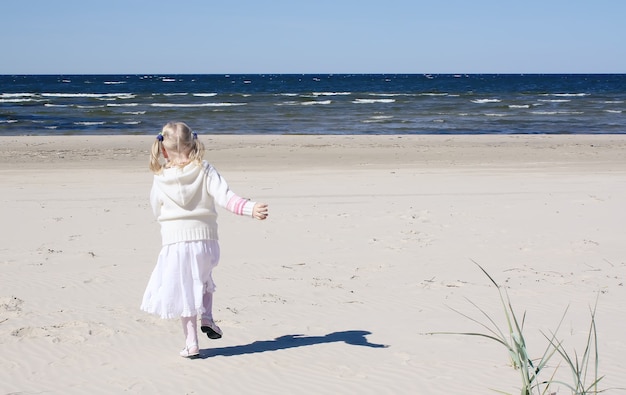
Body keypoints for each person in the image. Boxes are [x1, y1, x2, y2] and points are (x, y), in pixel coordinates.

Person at [140, 121, 269, 359]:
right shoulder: (204, 169)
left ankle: (191, 344)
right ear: (194, 144)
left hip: (175, 242)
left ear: (164, 150)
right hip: (206, 240)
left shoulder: (160, 178)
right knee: (203, 278)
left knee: (185, 290)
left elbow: (155, 209)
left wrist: (168, 226)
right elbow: (226, 198)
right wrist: (251, 209)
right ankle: (207, 317)